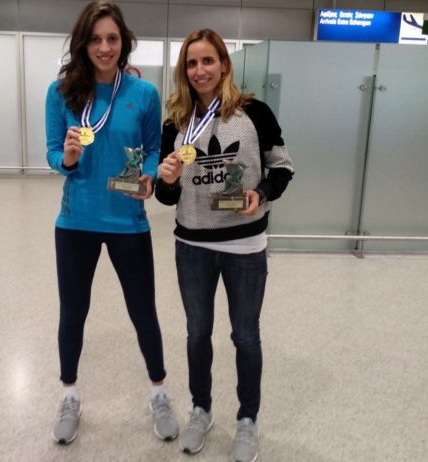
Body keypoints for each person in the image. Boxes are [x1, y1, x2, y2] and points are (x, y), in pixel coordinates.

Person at [155, 29, 294, 462]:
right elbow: (166, 196)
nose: (200, 70)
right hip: (191, 244)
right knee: (197, 333)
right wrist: (167, 180)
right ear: (184, 71)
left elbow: (283, 167)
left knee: (245, 335)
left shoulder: (255, 113)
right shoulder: (175, 122)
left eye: (208, 61)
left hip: (245, 244)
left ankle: (247, 419)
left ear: (224, 65)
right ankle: (201, 410)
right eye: (191, 63)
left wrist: (262, 193)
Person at [45, 0, 178, 446]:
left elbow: (153, 149)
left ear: (124, 42)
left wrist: (149, 176)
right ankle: (69, 396)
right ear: (83, 43)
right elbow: (52, 152)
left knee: (144, 312)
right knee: (73, 313)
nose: (104, 47)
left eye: (113, 39)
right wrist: (66, 159)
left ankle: (159, 392)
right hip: (76, 221)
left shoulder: (143, 94)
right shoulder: (61, 92)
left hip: (128, 222)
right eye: (96, 39)